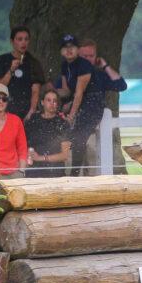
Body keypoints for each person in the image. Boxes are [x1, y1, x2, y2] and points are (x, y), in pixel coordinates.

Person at [66, 39, 128, 175]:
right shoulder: (70, 72)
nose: (88, 59)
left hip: (90, 117)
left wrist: (105, 66)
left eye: (91, 56)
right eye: (84, 56)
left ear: (96, 56)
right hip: (74, 117)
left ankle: (74, 174)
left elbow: (121, 85)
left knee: (80, 141)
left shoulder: (99, 75)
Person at [54, 34, 93, 173]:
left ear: (77, 49)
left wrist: (71, 114)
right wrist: (51, 93)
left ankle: (74, 173)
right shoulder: (65, 65)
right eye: (65, 47)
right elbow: (66, 90)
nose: (69, 50)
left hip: (91, 104)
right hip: (77, 102)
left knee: (79, 138)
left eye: (72, 47)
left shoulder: (84, 65)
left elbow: (79, 93)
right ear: (61, 51)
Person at [0, 25, 45, 121]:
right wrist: (11, 70)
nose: (23, 42)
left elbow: (35, 91)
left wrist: (31, 112)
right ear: (12, 41)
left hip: (26, 112)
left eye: (26, 39)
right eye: (19, 39)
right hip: (5, 109)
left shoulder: (34, 63)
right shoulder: (1, 60)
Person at [24, 88, 71, 178]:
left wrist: (41, 158)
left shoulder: (62, 123)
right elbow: (24, 144)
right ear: (42, 102)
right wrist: (29, 155)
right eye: (48, 100)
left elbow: (64, 155)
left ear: (57, 104)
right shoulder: (33, 120)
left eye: (55, 101)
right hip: (34, 171)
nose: (52, 103)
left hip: (55, 172)